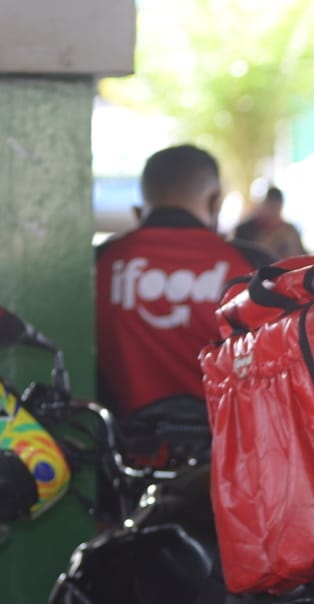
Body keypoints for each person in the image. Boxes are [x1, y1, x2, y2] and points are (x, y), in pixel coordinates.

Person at [95, 144, 273, 418]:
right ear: (215, 202)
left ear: (139, 209)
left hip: (122, 449)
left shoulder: (100, 262)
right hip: (229, 447)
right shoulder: (253, 266)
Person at [232, 185, 308, 260]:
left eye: (276, 207)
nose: (273, 211)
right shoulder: (245, 230)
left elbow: (302, 256)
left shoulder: (291, 231)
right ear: (264, 205)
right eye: (271, 206)